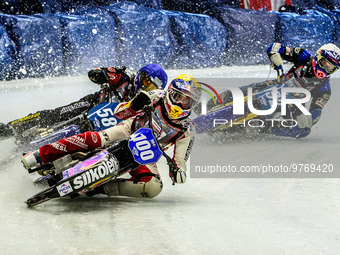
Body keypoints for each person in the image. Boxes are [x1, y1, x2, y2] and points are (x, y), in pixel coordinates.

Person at [21, 74, 202, 199]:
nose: (181, 104)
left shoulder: (187, 129)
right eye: (179, 97)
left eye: (187, 101)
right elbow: (119, 113)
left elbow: (180, 160)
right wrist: (134, 105)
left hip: (145, 156)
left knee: (153, 187)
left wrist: (179, 172)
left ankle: (101, 188)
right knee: (94, 139)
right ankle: (40, 155)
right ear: (171, 92)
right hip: (127, 131)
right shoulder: (155, 96)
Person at [0, 63, 168, 142]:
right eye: (147, 82)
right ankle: (10, 127)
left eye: (152, 86)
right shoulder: (125, 76)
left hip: (111, 128)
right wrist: (102, 75)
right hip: (94, 105)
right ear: (142, 76)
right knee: (58, 114)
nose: (147, 87)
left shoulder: (153, 102)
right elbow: (95, 73)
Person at [204, 43, 340, 138]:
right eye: (325, 63)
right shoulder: (303, 56)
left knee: (303, 131)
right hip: (278, 84)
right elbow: (276, 47)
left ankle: (262, 128)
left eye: (331, 67)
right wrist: (275, 53)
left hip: (293, 104)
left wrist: (309, 118)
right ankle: (211, 103)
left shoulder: (325, 90)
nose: (326, 68)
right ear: (318, 57)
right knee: (244, 90)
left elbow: (317, 110)